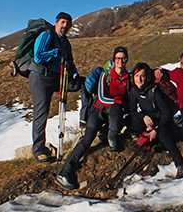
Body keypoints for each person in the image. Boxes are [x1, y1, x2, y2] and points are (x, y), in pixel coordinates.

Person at [55, 46, 130, 190]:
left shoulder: (128, 77)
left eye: (123, 58)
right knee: (88, 139)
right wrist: (118, 103)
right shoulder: (105, 74)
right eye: (118, 58)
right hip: (98, 110)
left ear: (127, 59)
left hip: (113, 113)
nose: (121, 61)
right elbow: (101, 97)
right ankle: (65, 172)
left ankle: (112, 139)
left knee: (115, 108)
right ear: (114, 60)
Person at [29, 12, 91, 163]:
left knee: (85, 84)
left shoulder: (66, 42)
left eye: (68, 24)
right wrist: (56, 52)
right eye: (63, 22)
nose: (65, 26)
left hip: (59, 77)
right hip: (41, 78)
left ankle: (84, 121)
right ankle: (38, 149)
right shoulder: (47, 35)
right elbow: (38, 56)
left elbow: (69, 60)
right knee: (41, 112)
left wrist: (74, 72)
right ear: (56, 23)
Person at [129, 62, 183, 179]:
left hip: (163, 120)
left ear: (147, 77)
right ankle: (153, 140)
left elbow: (166, 113)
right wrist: (143, 116)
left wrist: (157, 129)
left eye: (142, 76)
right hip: (149, 119)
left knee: (165, 138)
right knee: (135, 123)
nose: (139, 79)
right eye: (136, 76)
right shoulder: (134, 91)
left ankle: (180, 164)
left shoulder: (155, 91)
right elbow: (133, 112)